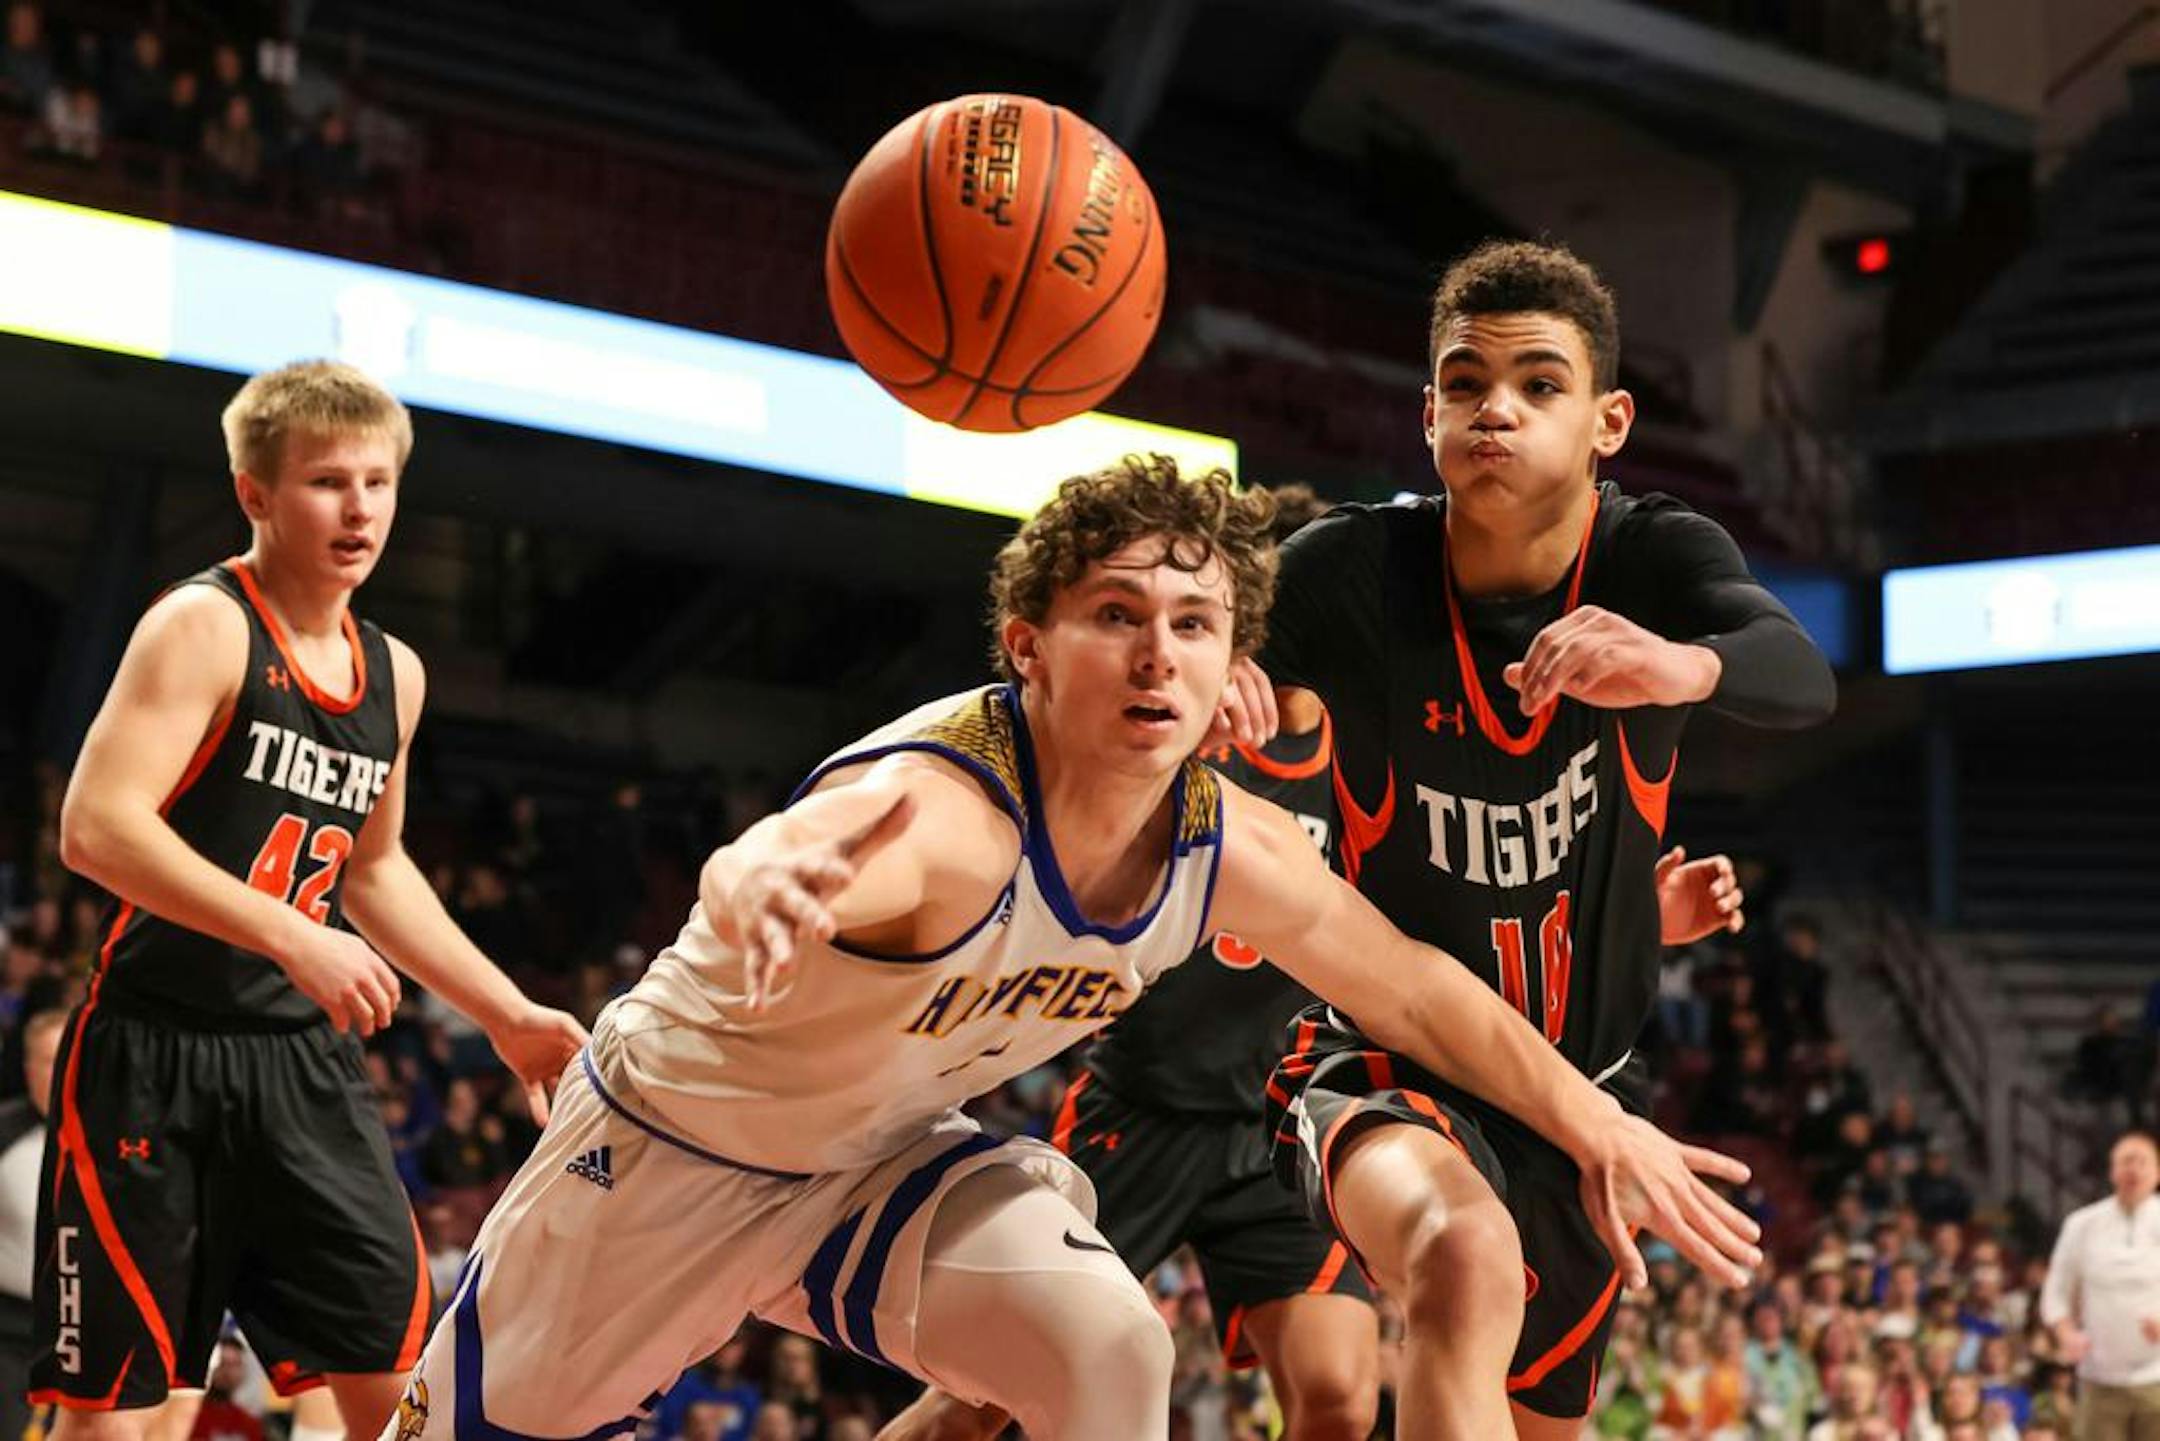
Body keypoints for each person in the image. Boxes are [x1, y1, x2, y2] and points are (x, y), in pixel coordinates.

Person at [386, 456, 1761, 1441]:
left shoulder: (1227, 843)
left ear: (1234, 662)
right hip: (669, 1156)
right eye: (1117, 616)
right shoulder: (951, 813)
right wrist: (763, 881)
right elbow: (808, 847)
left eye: (1193, 625)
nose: (1159, 656)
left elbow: (1418, 990)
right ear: (1028, 646)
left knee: (1108, 1344)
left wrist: (1598, 1123)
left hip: (875, 1165)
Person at [881, 491, 1749, 1441]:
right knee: (980, 1402)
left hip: (1279, 1113)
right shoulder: (1199, 724)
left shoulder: (1379, 746)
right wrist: (1180, 743)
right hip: (1150, 1104)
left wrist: (1632, 920)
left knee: (1339, 1396)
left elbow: (1444, 928)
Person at [1243, 239, 1835, 1438]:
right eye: (1464, 384)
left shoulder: (1652, 559)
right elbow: (1207, 641)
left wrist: (1679, 664)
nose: (1495, 410)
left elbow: (1799, 673)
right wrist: (1222, 684)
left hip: (1586, 1088)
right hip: (1389, 1067)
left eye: (1538, 384)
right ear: (1427, 416)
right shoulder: (1350, 570)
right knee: (1464, 1259)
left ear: (1610, 421)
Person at [37, 360, 587, 1434]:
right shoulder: (203, 626)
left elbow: (373, 869)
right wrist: (293, 933)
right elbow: (96, 825)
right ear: (255, 492)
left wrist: (506, 1013)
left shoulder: (396, 673)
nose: (360, 510)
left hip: (301, 1065)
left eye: (378, 483)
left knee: (401, 1396)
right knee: (122, 1418)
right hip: (155, 1052)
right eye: (328, 482)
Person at [2041, 1130, 2160, 1440]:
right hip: (2100, 1374)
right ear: (2112, 1170)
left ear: (2157, 1172)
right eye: (2126, 1161)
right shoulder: (2082, 1224)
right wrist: (2066, 1333)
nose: (2134, 1170)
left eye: (2142, 1162)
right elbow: (2056, 1291)